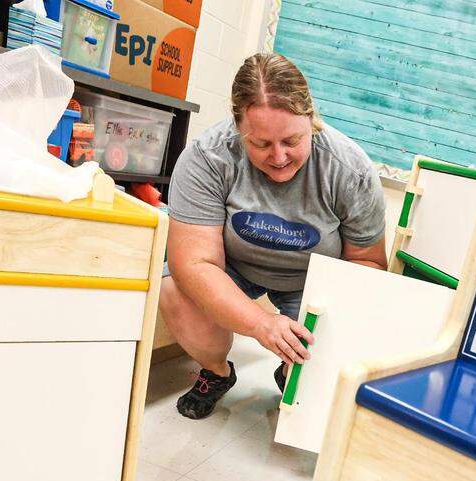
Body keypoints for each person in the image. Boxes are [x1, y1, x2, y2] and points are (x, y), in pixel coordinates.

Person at [159, 53, 387, 420]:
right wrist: (260, 323)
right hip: (231, 267)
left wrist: (331, 324)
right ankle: (216, 374)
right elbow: (194, 263)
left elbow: (368, 263)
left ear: (311, 120)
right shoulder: (207, 156)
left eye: (292, 141)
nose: (279, 157)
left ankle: (288, 374)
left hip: (311, 279)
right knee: (173, 287)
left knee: (325, 354)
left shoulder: (350, 169)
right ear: (238, 128)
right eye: (261, 144)